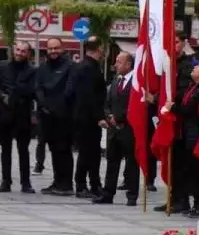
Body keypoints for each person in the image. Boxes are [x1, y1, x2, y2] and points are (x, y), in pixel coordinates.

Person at [0, 41, 38, 194]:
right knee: (6, 149)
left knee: (23, 149)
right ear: (13, 50)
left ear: (28, 54)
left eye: (23, 51)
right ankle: (6, 181)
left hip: (23, 114)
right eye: (18, 50)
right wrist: (2, 96)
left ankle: (26, 182)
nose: (20, 53)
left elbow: (35, 90)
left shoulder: (33, 71)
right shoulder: (3, 66)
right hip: (4, 113)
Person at [96, 52, 139, 206]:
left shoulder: (136, 82)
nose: (115, 64)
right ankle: (108, 194)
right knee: (112, 162)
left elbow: (134, 106)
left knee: (131, 163)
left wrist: (120, 118)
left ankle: (132, 195)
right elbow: (107, 102)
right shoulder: (115, 81)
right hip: (113, 130)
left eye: (119, 62)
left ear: (128, 65)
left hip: (128, 129)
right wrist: (109, 117)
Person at [168, 61, 199, 217]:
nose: (194, 67)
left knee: (198, 172)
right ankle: (195, 203)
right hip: (187, 134)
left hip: (196, 134)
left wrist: (173, 107)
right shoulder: (194, 87)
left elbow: (190, 109)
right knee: (191, 172)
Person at [70, 37, 107, 199]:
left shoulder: (88, 66)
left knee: (93, 153)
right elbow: (89, 96)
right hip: (87, 119)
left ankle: (94, 183)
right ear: (99, 48)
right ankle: (81, 185)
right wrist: (99, 117)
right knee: (87, 152)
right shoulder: (88, 68)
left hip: (86, 117)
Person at [36, 39, 75, 196]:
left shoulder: (70, 66)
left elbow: (69, 90)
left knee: (64, 149)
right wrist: (44, 105)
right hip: (47, 116)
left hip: (64, 116)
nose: (53, 51)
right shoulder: (43, 68)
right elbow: (37, 88)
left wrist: (56, 107)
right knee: (53, 149)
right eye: (50, 48)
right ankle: (57, 181)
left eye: (56, 48)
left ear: (62, 48)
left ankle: (66, 184)